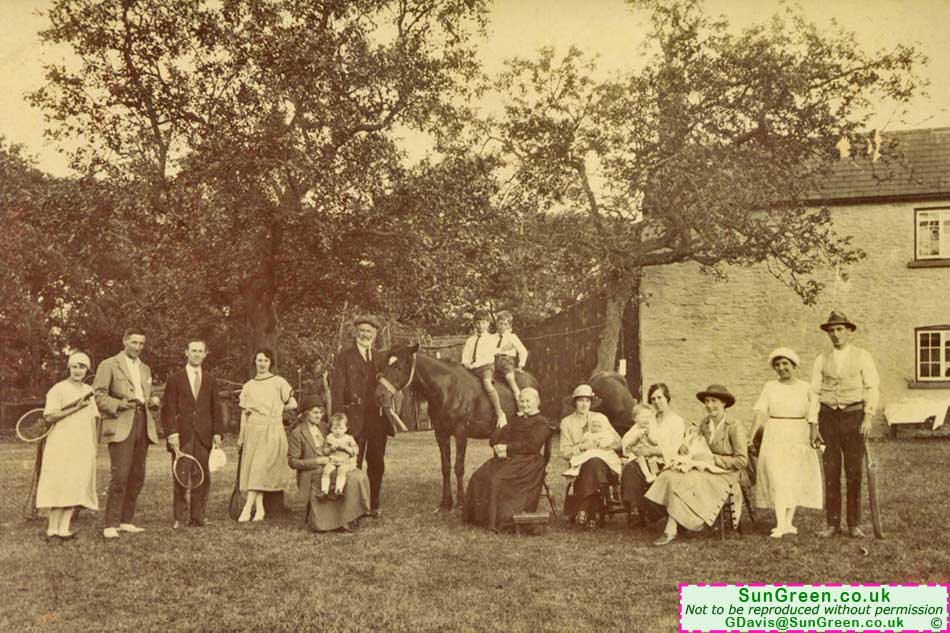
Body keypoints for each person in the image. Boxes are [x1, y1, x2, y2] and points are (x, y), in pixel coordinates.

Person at [646, 384, 748, 546]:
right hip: (705, 467)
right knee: (670, 475)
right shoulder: (705, 424)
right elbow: (696, 443)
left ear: (724, 403)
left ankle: (671, 529)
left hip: (726, 472)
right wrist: (685, 445)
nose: (709, 405)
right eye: (707, 401)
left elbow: (742, 461)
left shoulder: (734, 426)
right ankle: (679, 520)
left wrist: (713, 459)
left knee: (686, 480)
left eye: (714, 401)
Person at [811, 310, 880, 539]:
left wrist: (868, 416)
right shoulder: (821, 360)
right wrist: (814, 425)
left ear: (849, 331)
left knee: (854, 472)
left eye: (840, 329)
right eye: (831, 330)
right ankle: (832, 523)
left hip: (854, 417)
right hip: (828, 418)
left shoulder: (862, 356)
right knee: (831, 471)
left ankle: (853, 524)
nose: (836, 334)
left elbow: (871, 387)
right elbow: (814, 392)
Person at [94, 328, 161, 540]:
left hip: (143, 422)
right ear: (124, 341)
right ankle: (110, 524)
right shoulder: (108, 364)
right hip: (122, 423)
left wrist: (153, 402)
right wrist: (118, 404)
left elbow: (145, 395)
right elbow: (98, 395)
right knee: (120, 475)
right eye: (134, 343)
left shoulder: (145, 368)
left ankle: (126, 521)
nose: (138, 347)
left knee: (137, 475)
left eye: (141, 344)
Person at [751, 347, 823, 538]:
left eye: (785, 364)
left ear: (794, 365)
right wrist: (751, 437)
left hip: (799, 433)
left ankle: (788, 523)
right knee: (777, 477)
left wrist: (813, 432)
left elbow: (813, 413)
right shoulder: (769, 387)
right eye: (777, 364)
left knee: (793, 478)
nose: (781, 368)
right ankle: (780, 524)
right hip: (775, 432)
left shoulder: (806, 388)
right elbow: (759, 413)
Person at [463, 388, 553, 531]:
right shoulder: (516, 419)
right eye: (521, 401)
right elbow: (494, 440)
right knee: (479, 476)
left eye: (528, 401)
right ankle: (480, 518)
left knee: (496, 479)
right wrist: (502, 429)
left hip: (528, 462)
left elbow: (532, 445)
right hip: (509, 458)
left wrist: (507, 448)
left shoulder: (541, 423)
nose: (524, 404)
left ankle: (497, 521)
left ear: (537, 402)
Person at [330, 315, 390, 518]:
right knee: (351, 462)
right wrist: (338, 417)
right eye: (362, 330)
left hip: (377, 419)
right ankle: (351, 507)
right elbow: (336, 389)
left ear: (375, 334)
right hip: (353, 419)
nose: (365, 334)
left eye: (369, 331)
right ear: (355, 332)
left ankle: (374, 503)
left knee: (376, 462)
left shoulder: (381, 358)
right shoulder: (344, 357)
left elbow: (390, 385)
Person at [161, 338, 224, 528]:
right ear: (186, 353)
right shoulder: (175, 379)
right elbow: (168, 409)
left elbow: (216, 409)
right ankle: (180, 517)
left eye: (200, 351)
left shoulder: (211, 380)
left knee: (202, 476)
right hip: (182, 436)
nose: (196, 354)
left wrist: (218, 433)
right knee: (181, 474)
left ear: (205, 354)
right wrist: (172, 433)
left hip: (204, 435)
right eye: (193, 351)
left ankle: (197, 517)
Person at [36, 352, 99, 541]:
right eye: (75, 366)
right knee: (60, 483)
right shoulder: (58, 389)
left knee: (76, 484)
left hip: (83, 443)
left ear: (87, 370)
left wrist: (94, 446)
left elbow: (93, 419)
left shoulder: (89, 390)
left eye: (82, 367)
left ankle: (64, 529)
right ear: (69, 368)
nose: (78, 370)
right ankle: (52, 530)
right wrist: (75, 408)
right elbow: (49, 416)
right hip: (61, 443)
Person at [288, 394, 370, 532]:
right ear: (306, 413)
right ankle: (338, 521)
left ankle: (352, 515)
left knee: (359, 476)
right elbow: (292, 461)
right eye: (315, 412)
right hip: (313, 470)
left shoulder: (325, 427)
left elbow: (343, 434)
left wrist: (348, 452)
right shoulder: (297, 433)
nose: (319, 415)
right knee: (349, 479)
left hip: (335, 463)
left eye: (321, 412)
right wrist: (317, 460)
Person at [237, 348, 297, 522]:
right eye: (259, 360)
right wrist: (241, 436)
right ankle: (261, 509)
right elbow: (244, 414)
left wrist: (278, 408)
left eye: (266, 360)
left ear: (271, 363)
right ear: (254, 362)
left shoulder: (278, 382)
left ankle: (248, 508)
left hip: (272, 428)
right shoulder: (248, 386)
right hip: (253, 429)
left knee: (260, 468)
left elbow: (293, 403)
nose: (262, 364)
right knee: (256, 469)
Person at [621, 383, 686, 527]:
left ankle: (653, 512)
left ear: (667, 398)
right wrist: (633, 446)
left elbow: (674, 448)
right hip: (646, 460)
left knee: (659, 475)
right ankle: (636, 511)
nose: (657, 402)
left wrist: (651, 451)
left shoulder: (677, 421)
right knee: (631, 469)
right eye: (653, 399)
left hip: (666, 461)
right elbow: (627, 438)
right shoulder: (648, 418)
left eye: (660, 397)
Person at [560, 384, 621, 530]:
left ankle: (584, 507)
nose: (584, 404)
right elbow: (564, 451)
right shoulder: (567, 422)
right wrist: (581, 447)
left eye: (587, 401)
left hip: (604, 466)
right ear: (575, 402)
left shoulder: (600, 418)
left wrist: (606, 443)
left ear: (591, 402)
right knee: (591, 465)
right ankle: (591, 515)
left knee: (594, 462)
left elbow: (618, 442)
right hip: (580, 466)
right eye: (580, 400)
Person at [461, 310, 505, 427]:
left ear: (488, 323)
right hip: (470, 368)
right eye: (478, 322)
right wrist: (466, 363)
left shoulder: (491, 339)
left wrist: (474, 365)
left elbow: (488, 357)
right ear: (474, 324)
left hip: (485, 367)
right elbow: (465, 355)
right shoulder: (470, 340)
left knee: (487, 383)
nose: (481, 325)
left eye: (484, 322)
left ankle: (500, 412)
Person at [320, 413, 359, 498]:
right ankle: (324, 491)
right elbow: (325, 451)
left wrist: (345, 448)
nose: (338, 431)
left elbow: (356, 451)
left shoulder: (349, 438)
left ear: (346, 428)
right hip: (333, 460)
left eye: (341, 428)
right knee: (326, 470)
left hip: (345, 461)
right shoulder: (329, 438)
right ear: (330, 428)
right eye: (335, 428)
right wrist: (330, 449)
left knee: (341, 470)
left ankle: (338, 490)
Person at [494, 310, 529, 404]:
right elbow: (489, 352)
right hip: (492, 362)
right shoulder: (491, 337)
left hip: (506, 361)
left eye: (505, 324)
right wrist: (501, 349)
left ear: (509, 326)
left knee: (510, 379)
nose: (501, 326)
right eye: (500, 323)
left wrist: (521, 366)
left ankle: (519, 402)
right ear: (496, 323)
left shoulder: (512, 337)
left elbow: (523, 351)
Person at [621, 405, 662, 483]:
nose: (646, 420)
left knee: (653, 460)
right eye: (643, 417)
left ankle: (655, 475)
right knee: (641, 459)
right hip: (637, 454)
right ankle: (648, 475)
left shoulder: (651, 429)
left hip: (649, 452)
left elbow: (655, 442)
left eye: (648, 417)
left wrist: (648, 436)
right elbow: (628, 443)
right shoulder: (633, 431)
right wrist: (636, 438)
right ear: (635, 418)